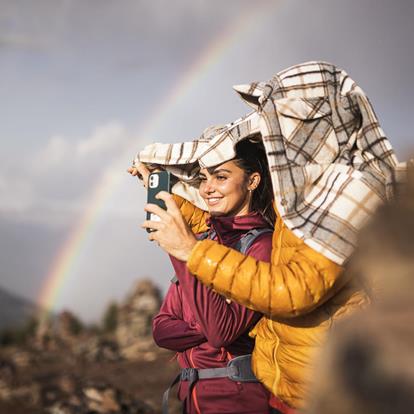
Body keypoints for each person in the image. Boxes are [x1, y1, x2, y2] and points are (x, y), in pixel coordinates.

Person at [130, 61, 405, 412]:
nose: (279, 129)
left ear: (314, 123)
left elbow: (294, 290)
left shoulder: (347, 196)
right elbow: (222, 211)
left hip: (321, 397)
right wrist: (165, 196)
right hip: (284, 392)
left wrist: (191, 250)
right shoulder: (304, 193)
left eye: (286, 118)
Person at [139, 140, 275, 414]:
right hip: (192, 398)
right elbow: (161, 329)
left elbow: (221, 332)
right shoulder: (204, 239)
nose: (207, 188)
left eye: (221, 177)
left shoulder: (262, 246)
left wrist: (185, 250)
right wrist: (205, 327)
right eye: (203, 178)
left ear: (252, 181)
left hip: (238, 400)